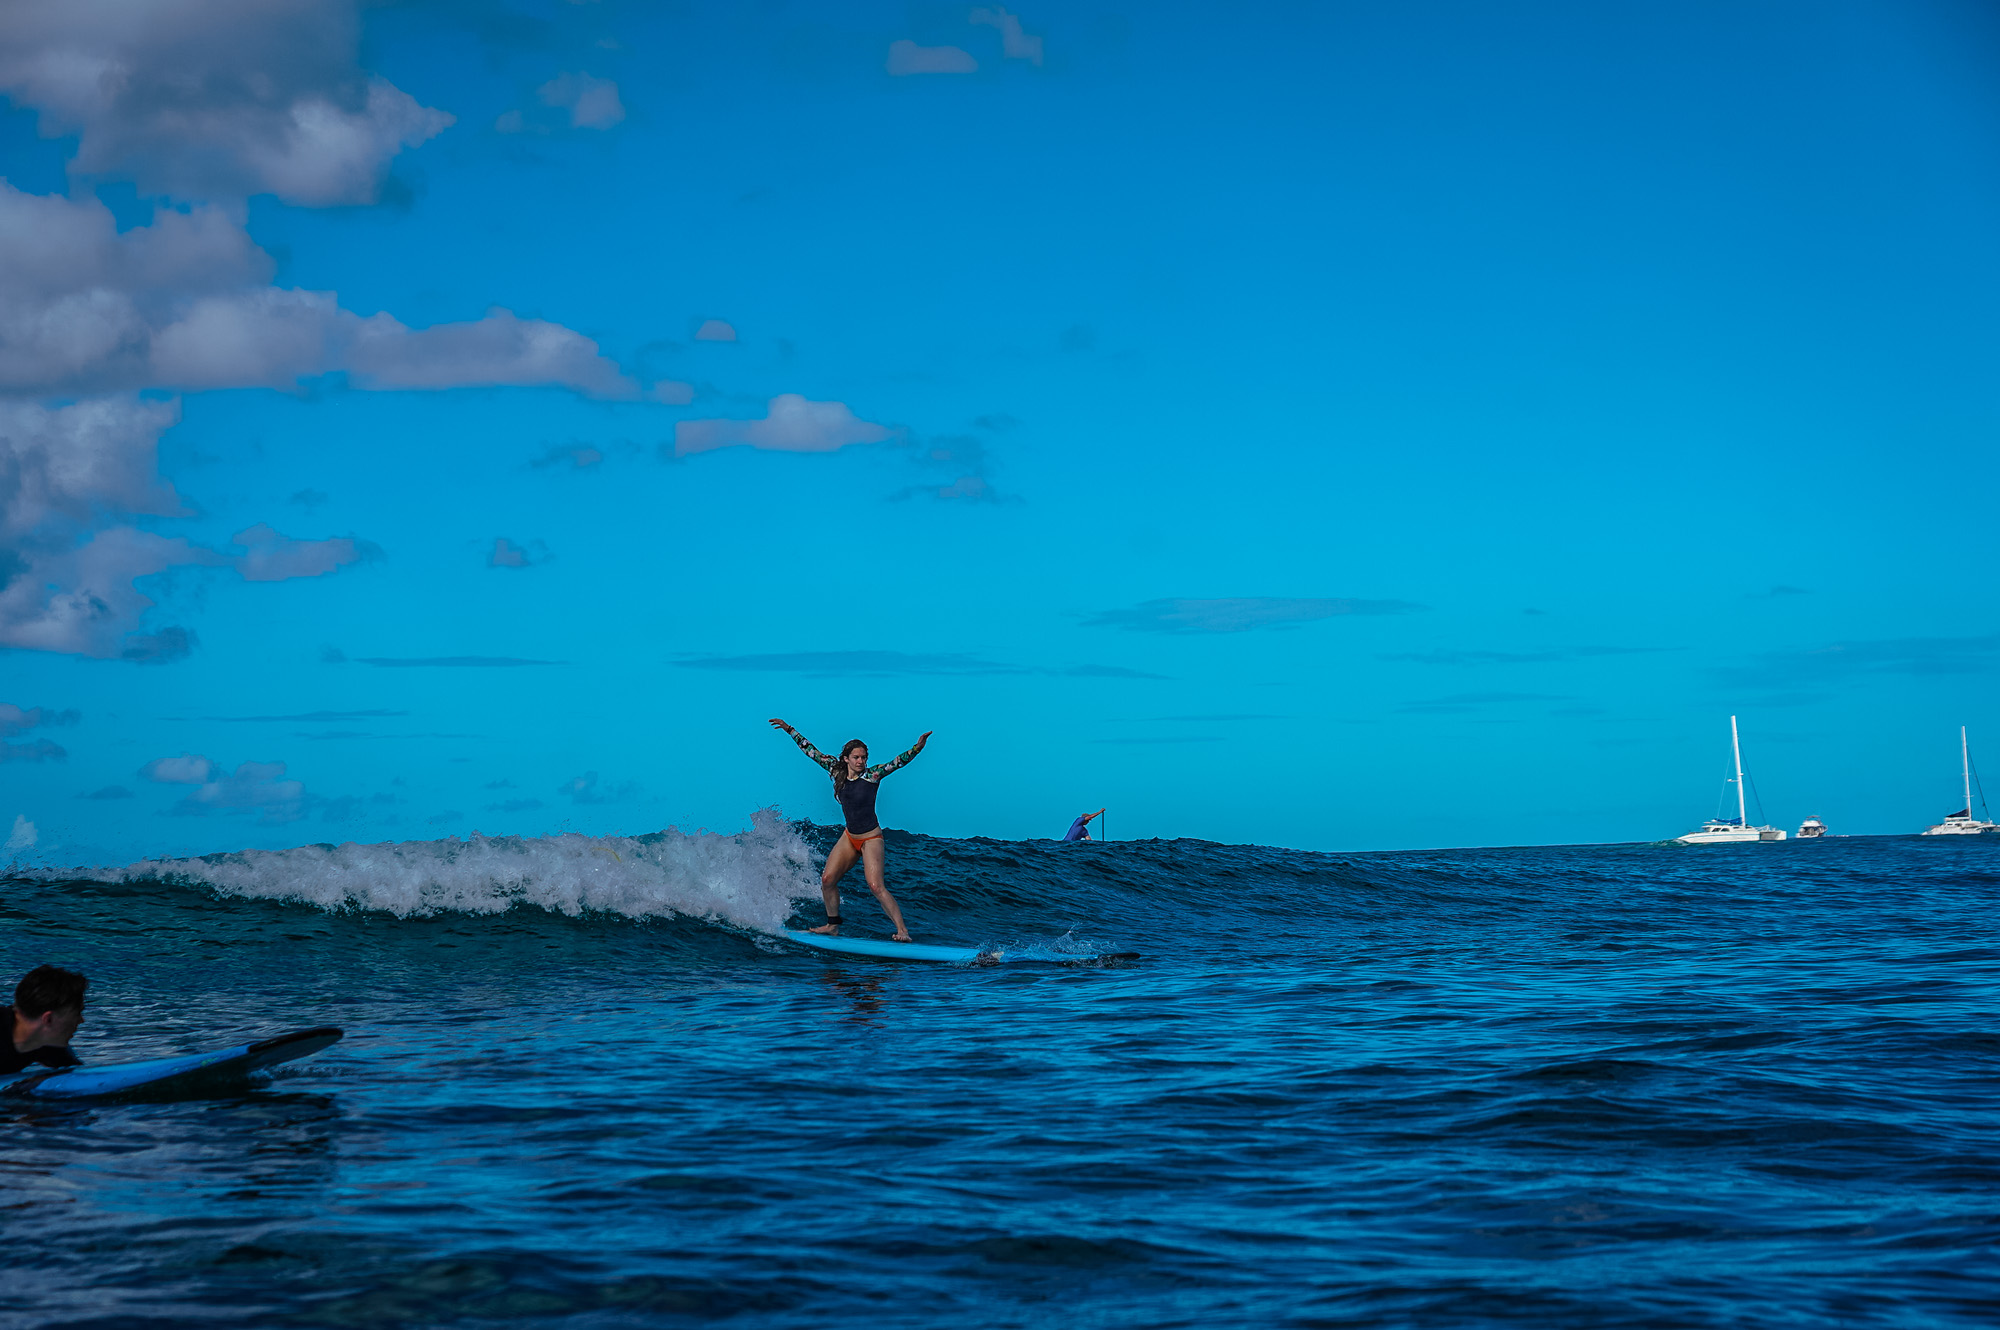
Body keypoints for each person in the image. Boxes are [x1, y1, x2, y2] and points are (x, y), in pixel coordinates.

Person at [769, 719, 931, 941]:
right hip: (849, 837)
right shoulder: (835, 771)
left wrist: (917, 748)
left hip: (871, 837)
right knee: (827, 880)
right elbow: (811, 751)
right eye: (856, 757)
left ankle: (903, 931)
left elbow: (897, 762)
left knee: (875, 886)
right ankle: (832, 925)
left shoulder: (872, 776)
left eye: (864, 757)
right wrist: (790, 730)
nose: (861, 761)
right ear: (845, 758)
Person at [3, 964, 87, 1076]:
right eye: (77, 1014)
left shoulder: (46, 1043)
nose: (81, 1020)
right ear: (48, 1019)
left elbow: (75, 1074)